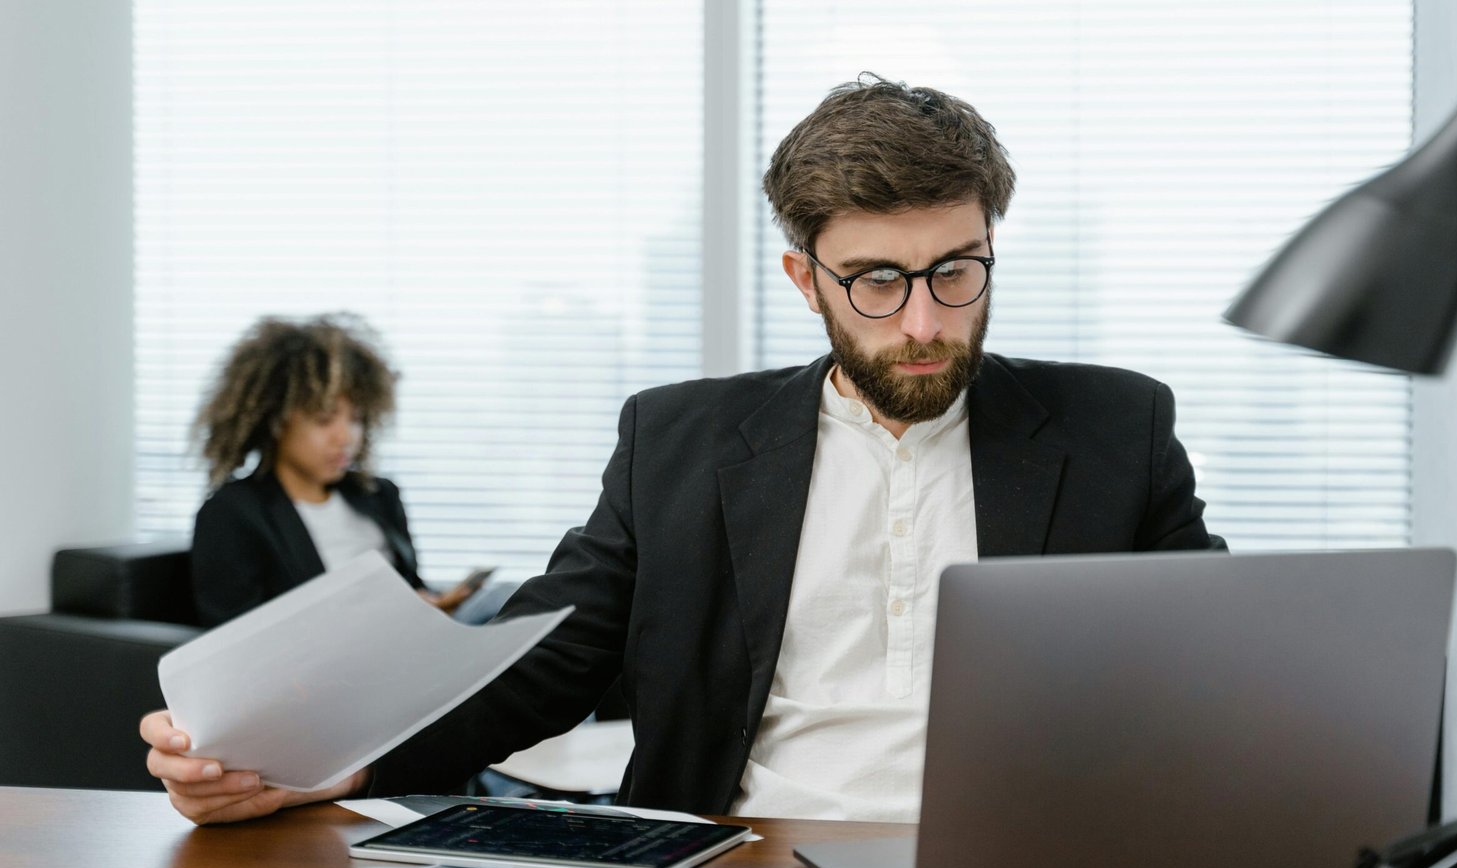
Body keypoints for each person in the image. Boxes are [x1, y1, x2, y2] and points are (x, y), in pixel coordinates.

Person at [142, 76, 1225, 825]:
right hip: (742, 857)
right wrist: (326, 765)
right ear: (806, 280)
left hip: (1018, 859)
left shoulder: (1114, 428)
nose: (924, 321)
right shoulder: (678, 441)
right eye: (876, 281)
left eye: (956, 270)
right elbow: (542, 661)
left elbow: (1225, 664)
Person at [187, 314, 481, 626]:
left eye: (356, 419)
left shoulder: (379, 495)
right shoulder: (233, 513)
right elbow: (236, 636)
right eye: (324, 419)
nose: (346, 438)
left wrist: (430, 603)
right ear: (276, 421)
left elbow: (409, 586)